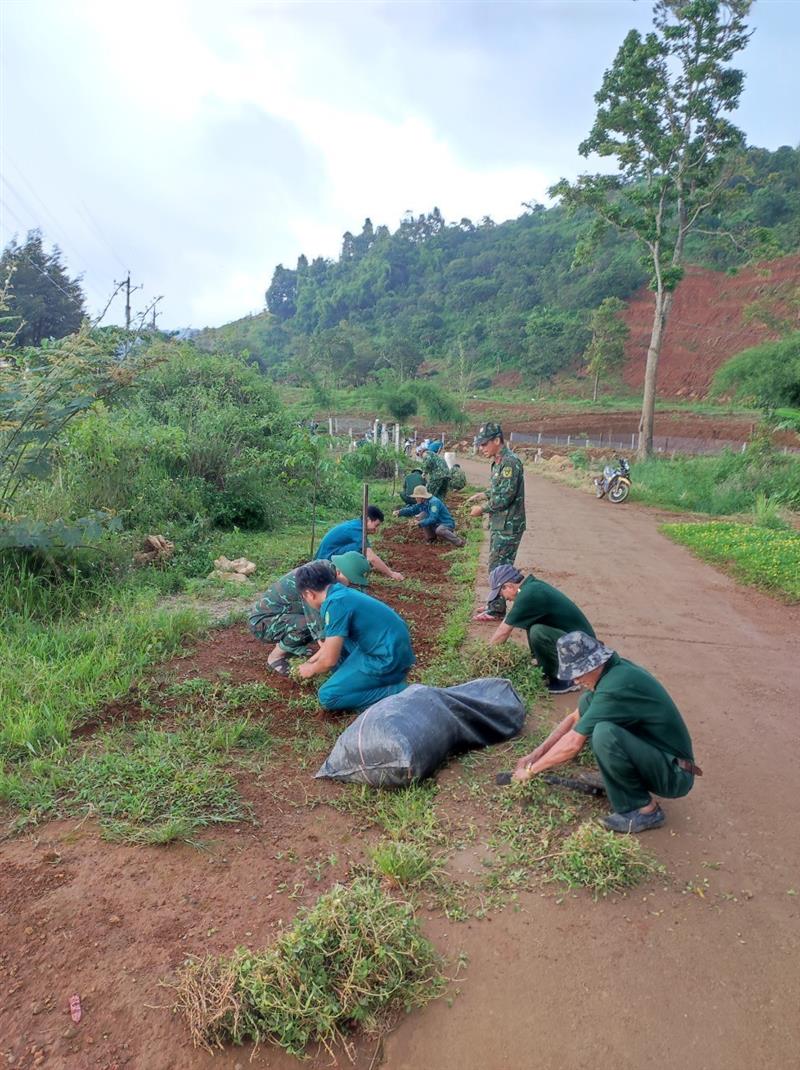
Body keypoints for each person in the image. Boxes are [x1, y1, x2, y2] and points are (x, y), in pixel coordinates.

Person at [513, 631, 702, 833]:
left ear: (595, 664)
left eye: (578, 673)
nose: (575, 681)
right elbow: (573, 720)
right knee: (587, 703)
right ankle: (618, 782)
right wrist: (536, 754)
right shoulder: (612, 673)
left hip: (675, 774)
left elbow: (572, 744)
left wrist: (531, 772)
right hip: (658, 757)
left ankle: (645, 810)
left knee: (605, 733)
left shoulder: (616, 686)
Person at [295, 560, 415, 711]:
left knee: (328, 696)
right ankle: (355, 680)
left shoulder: (335, 605)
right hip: (392, 646)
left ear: (308, 594)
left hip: (386, 658)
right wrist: (312, 661)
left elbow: (329, 660)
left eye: (303, 597)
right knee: (340, 645)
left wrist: (310, 669)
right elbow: (331, 645)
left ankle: (399, 692)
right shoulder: (339, 593)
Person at [249, 552, 371, 675]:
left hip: (285, 614)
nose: (350, 585)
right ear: (339, 572)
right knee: (306, 626)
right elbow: (317, 625)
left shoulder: (326, 570)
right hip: (263, 623)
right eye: (350, 581)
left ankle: (292, 645)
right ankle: (275, 657)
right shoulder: (317, 582)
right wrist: (332, 661)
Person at [486, 565, 595, 694]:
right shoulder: (529, 589)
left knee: (538, 632)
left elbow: (503, 631)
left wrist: (486, 657)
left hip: (586, 652)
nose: (505, 598)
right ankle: (547, 668)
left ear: (508, 586)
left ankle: (565, 680)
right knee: (533, 625)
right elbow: (510, 621)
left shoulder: (529, 595)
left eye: (501, 594)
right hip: (581, 644)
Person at [468, 422, 526, 621]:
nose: (481, 448)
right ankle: (495, 603)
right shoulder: (499, 461)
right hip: (501, 524)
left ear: (497, 440)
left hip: (508, 526)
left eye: (484, 444)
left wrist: (482, 509)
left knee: (499, 568)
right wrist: (482, 494)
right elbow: (498, 489)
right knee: (496, 566)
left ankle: (496, 610)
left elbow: (505, 497)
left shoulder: (509, 463)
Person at [315, 505, 404, 581]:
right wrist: (392, 574)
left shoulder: (357, 525)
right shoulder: (357, 531)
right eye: (376, 525)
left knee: (361, 548)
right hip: (325, 562)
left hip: (325, 557)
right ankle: (340, 573)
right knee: (360, 548)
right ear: (368, 520)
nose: (376, 529)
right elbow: (372, 558)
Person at [393, 485, 466, 547]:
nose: (415, 498)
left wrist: (419, 523)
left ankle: (460, 542)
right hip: (436, 524)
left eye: (416, 497)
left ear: (422, 497)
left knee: (439, 530)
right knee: (422, 515)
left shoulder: (434, 502)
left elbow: (433, 518)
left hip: (446, 523)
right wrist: (400, 512)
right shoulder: (422, 502)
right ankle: (431, 539)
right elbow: (413, 509)